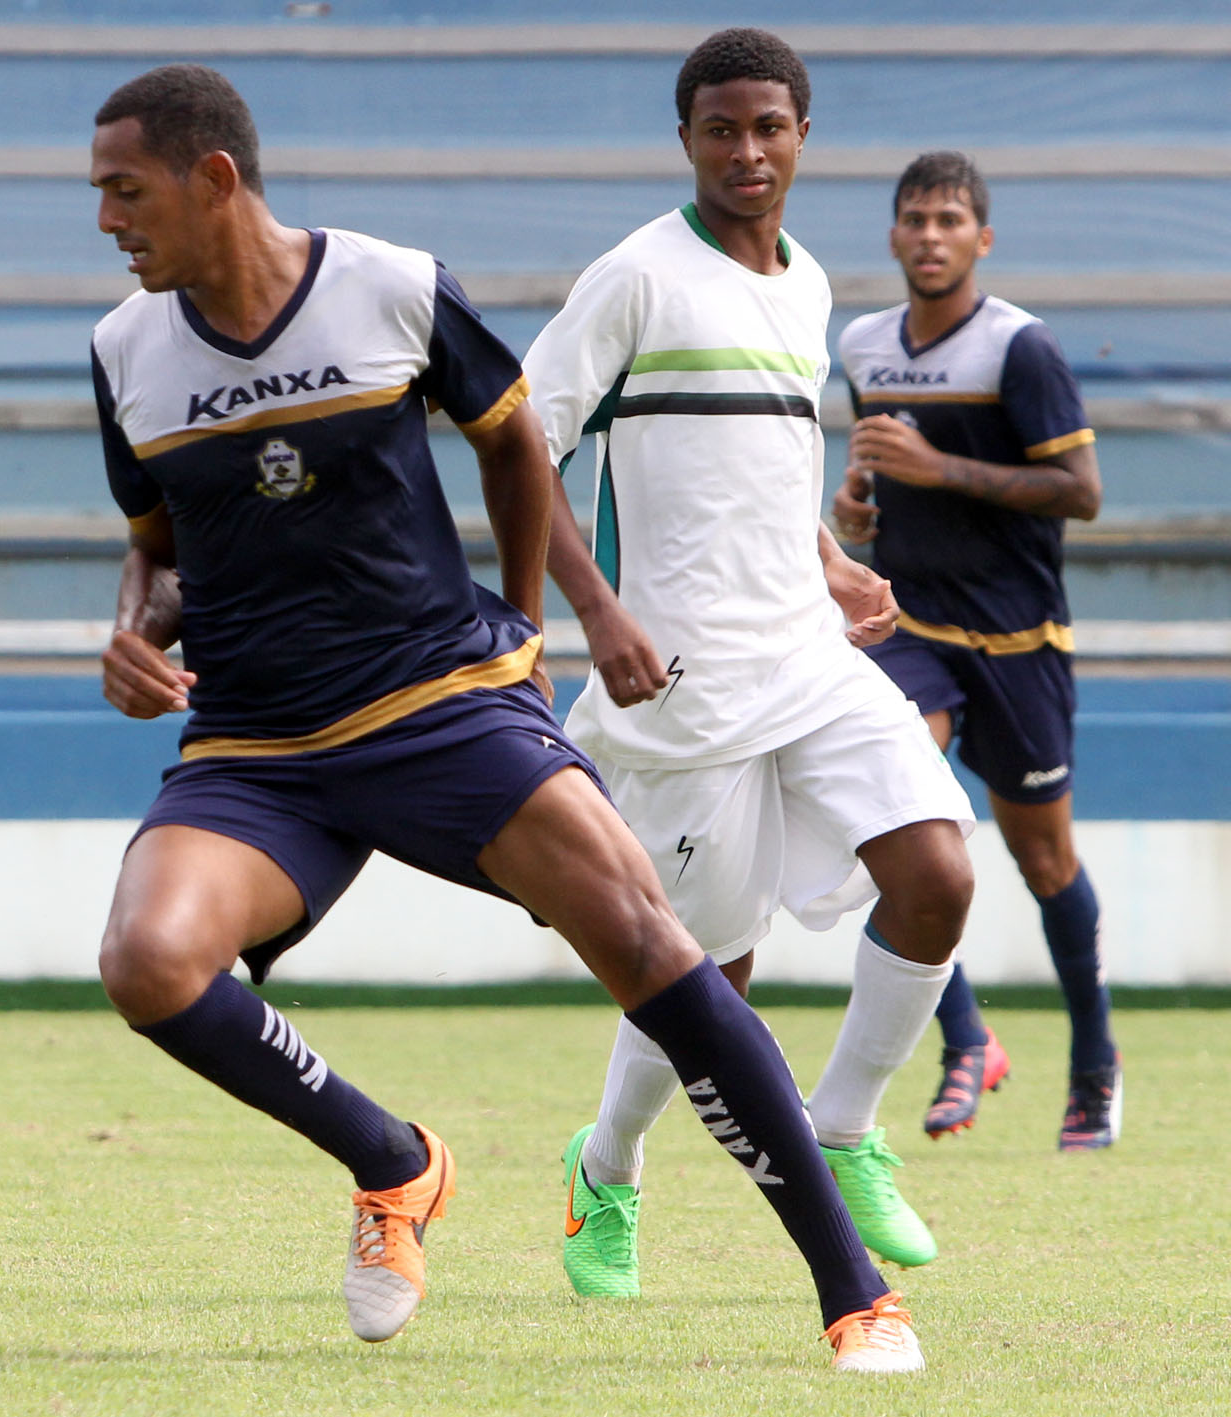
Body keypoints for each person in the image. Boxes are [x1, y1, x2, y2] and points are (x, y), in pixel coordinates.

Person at [89, 61, 921, 1372]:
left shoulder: (388, 288)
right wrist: (133, 631)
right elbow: (156, 544)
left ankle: (853, 1289)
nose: (103, 221)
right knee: (144, 963)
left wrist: (527, 632)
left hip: (436, 702)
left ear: (214, 180)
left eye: (123, 192)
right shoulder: (121, 349)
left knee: (647, 940)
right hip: (257, 747)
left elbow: (513, 441)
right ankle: (393, 1162)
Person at [523, 28, 980, 1304]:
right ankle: (603, 1161)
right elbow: (517, 448)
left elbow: (767, 465)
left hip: (806, 649)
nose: (746, 151)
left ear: (800, 136)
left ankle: (840, 1125)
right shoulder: (631, 278)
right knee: (702, 979)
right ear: (685, 139)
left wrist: (830, 560)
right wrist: (595, 612)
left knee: (937, 867)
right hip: (676, 689)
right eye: (719, 129)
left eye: (768, 126)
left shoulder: (805, 285)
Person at [834, 151, 1119, 1150]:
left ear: (979, 239)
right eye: (912, 218)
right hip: (911, 630)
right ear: (891, 234)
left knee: (1043, 860)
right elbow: (874, 478)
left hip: (1018, 640)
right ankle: (965, 1039)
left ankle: (1092, 1065)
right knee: (893, 813)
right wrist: (856, 502)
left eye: (948, 219)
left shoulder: (1018, 349)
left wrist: (935, 466)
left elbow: (1079, 491)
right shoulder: (862, 345)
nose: (928, 235)